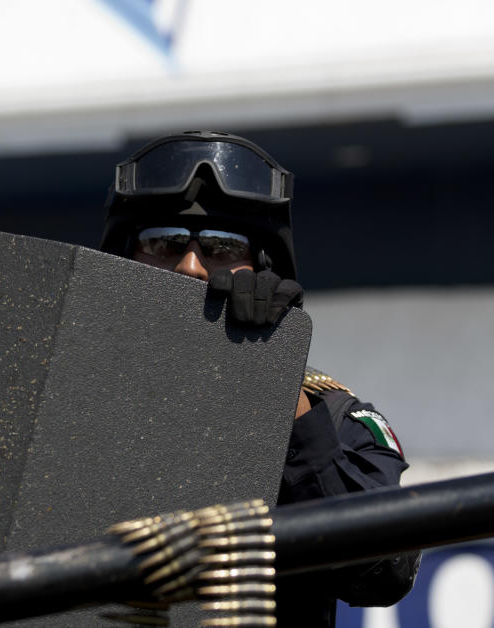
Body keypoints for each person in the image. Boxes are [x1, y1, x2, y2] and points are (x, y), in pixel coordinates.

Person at [100, 131, 420, 626]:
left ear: (264, 266)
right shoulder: (68, 396)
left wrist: (273, 377)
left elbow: (383, 574)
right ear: (127, 260)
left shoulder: (331, 414)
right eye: (162, 243)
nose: (190, 268)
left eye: (221, 247)